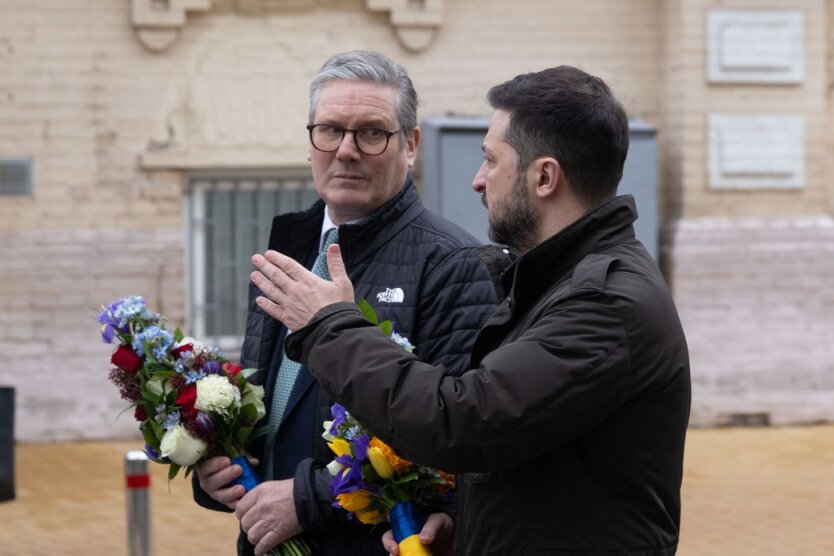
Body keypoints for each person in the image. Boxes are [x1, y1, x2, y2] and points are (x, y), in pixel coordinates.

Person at [250, 65, 692, 555]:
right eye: (330, 130)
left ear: (544, 177)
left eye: (490, 160)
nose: (478, 181)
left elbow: (460, 422)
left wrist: (329, 325)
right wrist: (463, 534)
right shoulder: (554, 284)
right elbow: (525, 459)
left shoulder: (607, 304)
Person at [191, 50, 508, 556]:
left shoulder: (455, 265)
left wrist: (305, 500)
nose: (346, 150)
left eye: (372, 133)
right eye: (331, 130)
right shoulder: (285, 250)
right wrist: (219, 467)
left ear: (411, 144)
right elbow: (267, 408)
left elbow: (453, 444)